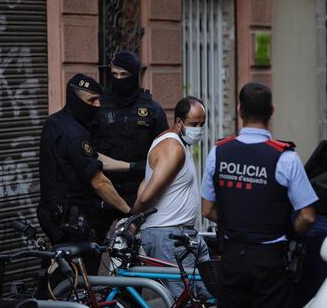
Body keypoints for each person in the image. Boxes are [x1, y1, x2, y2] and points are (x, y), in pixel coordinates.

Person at [201, 82, 317, 308]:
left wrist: (235, 225)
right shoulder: (285, 157)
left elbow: (206, 209)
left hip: (231, 257)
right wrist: (288, 231)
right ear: (271, 110)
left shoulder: (219, 152)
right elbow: (309, 216)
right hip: (270, 260)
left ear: (239, 110)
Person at [38, 73, 131, 275]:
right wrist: (128, 212)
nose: (97, 105)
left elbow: (91, 157)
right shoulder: (74, 133)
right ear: (75, 99)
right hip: (71, 221)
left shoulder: (55, 123)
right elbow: (99, 182)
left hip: (53, 213)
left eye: (99, 99)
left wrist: (130, 166)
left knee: (63, 274)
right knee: (82, 280)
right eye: (92, 100)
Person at [134, 96, 211, 298]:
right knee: (182, 300)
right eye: (194, 124)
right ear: (178, 122)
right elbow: (146, 195)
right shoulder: (173, 147)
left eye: (202, 124)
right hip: (168, 235)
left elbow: (144, 183)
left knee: (205, 295)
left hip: (183, 235)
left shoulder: (177, 144)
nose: (199, 129)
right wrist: (132, 221)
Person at [90, 50, 169, 240]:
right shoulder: (99, 106)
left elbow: (164, 153)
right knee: (94, 249)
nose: (118, 79)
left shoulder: (152, 110)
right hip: (105, 190)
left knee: (140, 251)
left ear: (134, 76)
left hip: (141, 192)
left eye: (124, 75)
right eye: (114, 74)